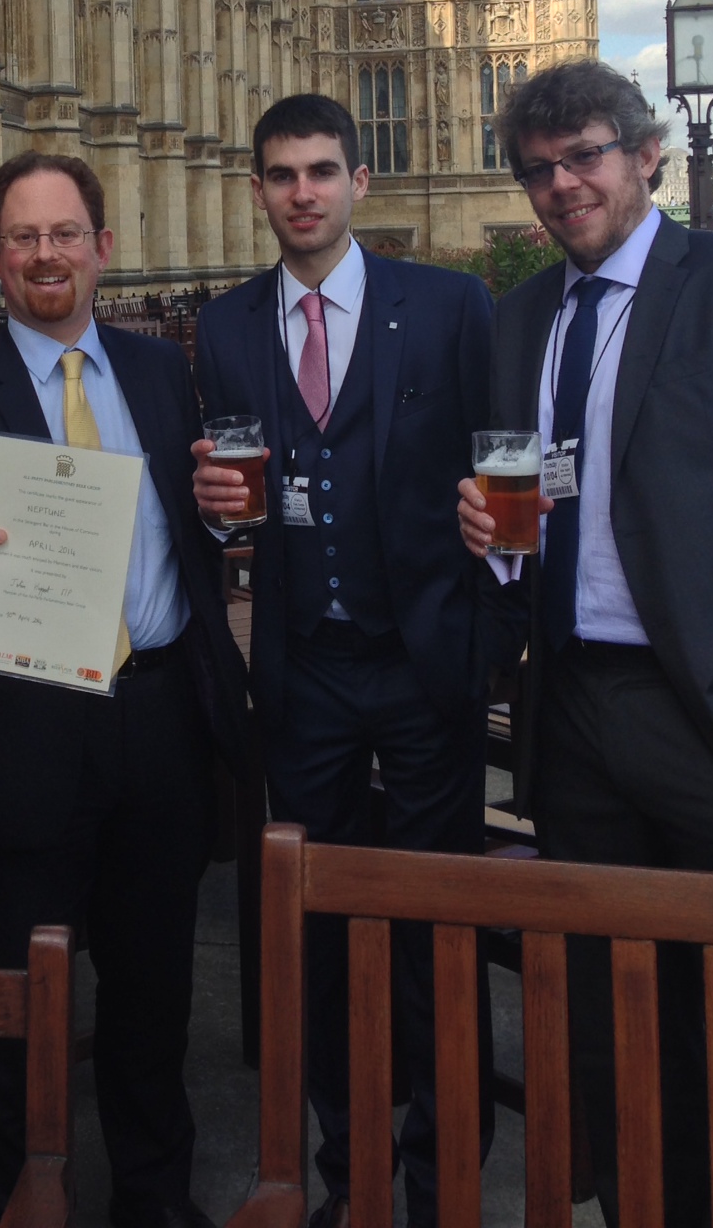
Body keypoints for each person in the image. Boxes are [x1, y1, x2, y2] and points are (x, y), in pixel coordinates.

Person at [457, 58, 713, 1228]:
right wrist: (495, 538)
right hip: (577, 707)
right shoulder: (522, 315)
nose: (562, 185)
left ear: (644, 156)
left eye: (584, 155)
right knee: (624, 1014)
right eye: (539, 168)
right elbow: (535, 504)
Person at [0, 152, 249, 1228]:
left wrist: (231, 518)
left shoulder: (159, 372)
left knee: (152, 994)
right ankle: (14, 1197)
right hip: (26, 724)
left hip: (157, 720)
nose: (46, 254)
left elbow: (200, 531)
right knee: (23, 996)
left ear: (103, 247)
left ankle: (155, 1199)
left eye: (66, 233)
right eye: (23, 236)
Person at [191, 92, 506, 1228]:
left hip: (426, 665)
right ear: (262, 189)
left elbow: (513, 462)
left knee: (435, 920)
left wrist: (504, 565)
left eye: (322, 170)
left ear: (359, 181)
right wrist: (217, 505)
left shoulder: (452, 305)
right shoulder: (225, 325)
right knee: (311, 928)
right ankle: (345, 1173)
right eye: (281, 174)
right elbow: (229, 510)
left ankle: (442, 1179)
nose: (303, 193)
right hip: (305, 669)